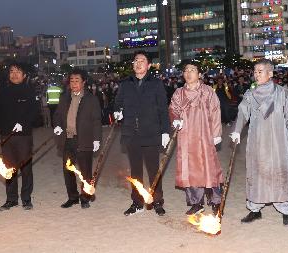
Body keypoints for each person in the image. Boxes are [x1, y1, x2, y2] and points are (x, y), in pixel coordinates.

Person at [230, 59, 288, 226]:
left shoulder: (282, 93)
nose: (256, 74)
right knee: (257, 173)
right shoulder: (250, 93)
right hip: (257, 141)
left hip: (279, 141)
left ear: (270, 73)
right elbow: (242, 112)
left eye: (260, 71)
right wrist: (236, 130)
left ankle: (286, 210)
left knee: (281, 173)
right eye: (255, 71)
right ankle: (255, 209)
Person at [114, 50, 170, 216]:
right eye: (136, 60)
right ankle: (137, 202)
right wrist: (118, 112)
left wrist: (165, 131)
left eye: (142, 60)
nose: (138, 63)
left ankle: (157, 201)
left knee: (154, 169)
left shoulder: (156, 83)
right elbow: (117, 103)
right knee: (136, 171)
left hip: (151, 132)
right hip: (131, 133)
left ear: (149, 65)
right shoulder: (125, 83)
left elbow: (163, 109)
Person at [169, 61, 223, 215]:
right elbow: (173, 109)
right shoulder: (178, 93)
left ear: (199, 75)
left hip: (205, 135)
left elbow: (215, 112)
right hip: (186, 136)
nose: (188, 73)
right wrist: (175, 118)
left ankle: (216, 200)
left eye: (192, 70)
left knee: (209, 168)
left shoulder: (207, 92)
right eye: (186, 70)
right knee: (190, 169)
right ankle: (196, 202)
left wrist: (216, 134)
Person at [0, 62, 39, 211]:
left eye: (18, 71)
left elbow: (35, 113)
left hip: (23, 136)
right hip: (6, 136)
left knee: (25, 168)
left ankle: (26, 199)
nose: (14, 74)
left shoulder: (30, 91)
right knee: (9, 168)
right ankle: (11, 199)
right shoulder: (3, 92)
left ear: (24, 75)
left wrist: (23, 123)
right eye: (12, 71)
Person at [53, 69, 102, 209]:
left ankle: (85, 197)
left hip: (84, 140)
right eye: (72, 81)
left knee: (85, 171)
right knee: (68, 169)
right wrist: (57, 125)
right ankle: (72, 197)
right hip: (67, 139)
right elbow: (57, 115)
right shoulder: (64, 98)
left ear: (83, 82)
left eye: (77, 81)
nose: (74, 84)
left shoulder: (91, 99)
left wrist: (97, 139)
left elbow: (97, 120)